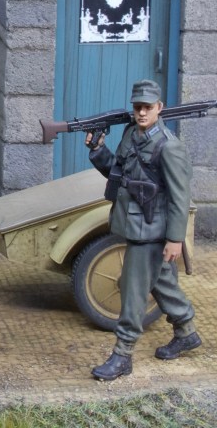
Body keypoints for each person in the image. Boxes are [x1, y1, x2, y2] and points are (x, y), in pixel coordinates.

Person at [85, 79, 202, 381]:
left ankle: (122, 355)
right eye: (137, 107)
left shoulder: (169, 146)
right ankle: (186, 331)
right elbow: (118, 174)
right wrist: (98, 150)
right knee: (160, 280)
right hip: (133, 223)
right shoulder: (130, 135)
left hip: (152, 230)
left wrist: (175, 238)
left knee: (132, 289)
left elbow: (179, 197)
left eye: (147, 107)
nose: (141, 112)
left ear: (159, 108)